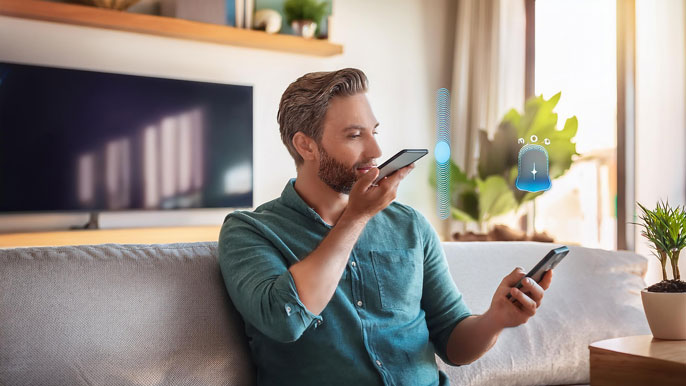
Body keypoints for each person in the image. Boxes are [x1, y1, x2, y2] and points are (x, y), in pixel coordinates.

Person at [218, 68, 553, 386]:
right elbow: (285, 319)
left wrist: (496, 319)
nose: (376, 151)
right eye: (354, 135)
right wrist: (356, 218)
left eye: (374, 132)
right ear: (306, 146)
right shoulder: (249, 231)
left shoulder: (410, 226)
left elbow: (455, 344)